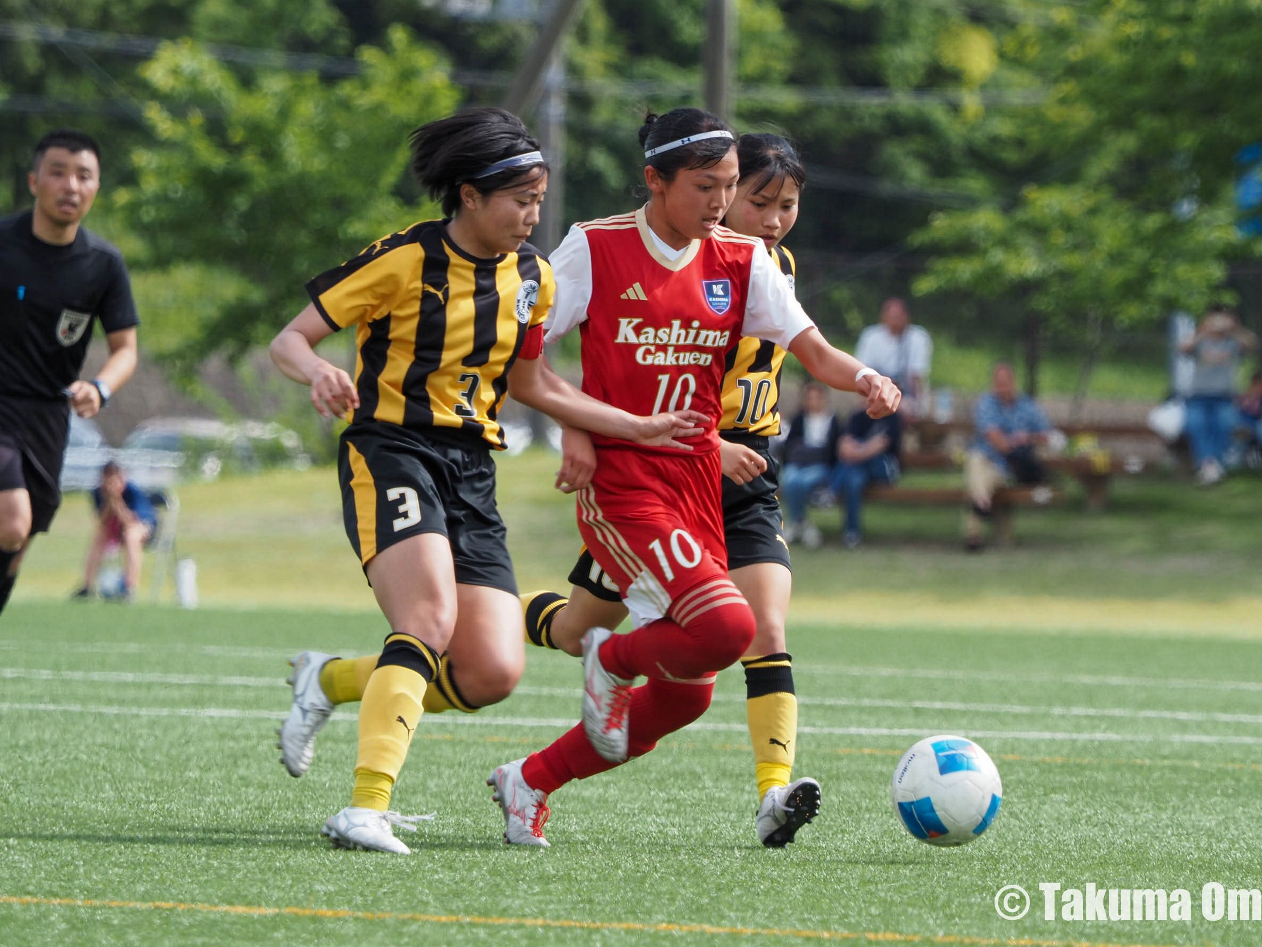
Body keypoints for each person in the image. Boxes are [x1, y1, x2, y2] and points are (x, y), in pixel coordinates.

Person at [267, 107, 704, 855]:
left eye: (539, 200)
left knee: (490, 671)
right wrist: (318, 371)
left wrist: (627, 426)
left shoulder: (530, 276)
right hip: (392, 449)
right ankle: (364, 807)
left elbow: (534, 382)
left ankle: (332, 679)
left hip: (471, 470)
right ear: (468, 195)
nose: (533, 216)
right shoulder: (403, 259)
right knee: (427, 623)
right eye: (520, 200)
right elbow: (290, 338)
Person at [488, 110, 899, 849]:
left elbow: (815, 348)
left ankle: (531, 779)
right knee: (731, 627)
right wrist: (584, 427)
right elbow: (525, 363)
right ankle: (607, 661)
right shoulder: (594, 247)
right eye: (708, 186)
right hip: (628, 485)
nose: (721, 203)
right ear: (656, 180)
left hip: (700, 491)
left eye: (730, 186)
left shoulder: (744, 261)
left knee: (687, 697)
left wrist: (867, 378)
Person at [0, 130, 140, 617]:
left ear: (96, 188)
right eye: (58, 172)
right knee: (12, 521)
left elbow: (125, 348)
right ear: (34, 180)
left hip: (48, 416)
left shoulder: (103, 264)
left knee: (19, 541)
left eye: (84, 176)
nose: (70, 185)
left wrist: (99, 387)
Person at [964, 363, 1051, 552]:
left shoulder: (1027, 406)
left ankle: (975, 530)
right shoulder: (986, 403)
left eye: (1005, 382)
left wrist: (1028, 437)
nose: (1002, 387)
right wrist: (1013, 441)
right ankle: (982, 503)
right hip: (985, 456)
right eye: (998, 383)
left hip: (1008, 466)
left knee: (982, 478)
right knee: (975, 461)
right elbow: (995, 439)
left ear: (1013, 383)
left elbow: (1047, 435)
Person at [1180, 305, 1256, 485]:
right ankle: (1209, 464)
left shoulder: (1233, 342)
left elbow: (1252, 344)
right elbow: (1183, 348)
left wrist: (1235, 328)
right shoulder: (1201, 341)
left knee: (1225, 424)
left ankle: (1212, 464)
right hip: (1198, 396)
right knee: (1196, 424)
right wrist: (1203, 330)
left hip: (1224, 397)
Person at [74, 461, 157, 600]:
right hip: (116, 530)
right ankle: (87, 586)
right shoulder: (98, 492)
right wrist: (109, 501)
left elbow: (131, 521)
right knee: (99, 536)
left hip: (141, 528)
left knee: (131, 536)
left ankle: (130, 588)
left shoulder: (132, 491)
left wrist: (117, 500)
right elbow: (101, 522)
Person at [829, 394, 902, 548]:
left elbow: (880, 446)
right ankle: (852, 533)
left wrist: (856, 452)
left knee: (860, 461)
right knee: (854, 482)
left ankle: (831, 492)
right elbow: (844, 445)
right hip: (859, 467)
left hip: (884, 468)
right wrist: (857, 451)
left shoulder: (892, 417)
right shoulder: (857, 417)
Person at [779, 381, 841, 549]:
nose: (813, 401)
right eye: (810, 397)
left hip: (820, 466)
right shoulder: (799, 419)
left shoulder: (833, 420)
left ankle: (797, 524)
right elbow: (789, 445)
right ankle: (802, 523)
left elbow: (834, 451)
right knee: (790, 479)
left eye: (817, 397)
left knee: (804, 482)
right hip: (798, 463)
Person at [853, 297, 932, 418]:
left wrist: (918, 405)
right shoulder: (871, 337)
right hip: (876, 390)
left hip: (906, 395)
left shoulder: (918, 338)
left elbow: (916, 376)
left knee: (903, 409)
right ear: (883, 317)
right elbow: (863, 371)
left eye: (898, 316)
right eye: (892, 316)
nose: (895, 321)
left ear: (907, 317)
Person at [1227, 370, 1262, 469]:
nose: (1258, 388)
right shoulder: (1242, 399)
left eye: (1261, 385)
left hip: (1256, 428)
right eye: (1255, 385)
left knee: (1244, 434)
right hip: (1237, 426)